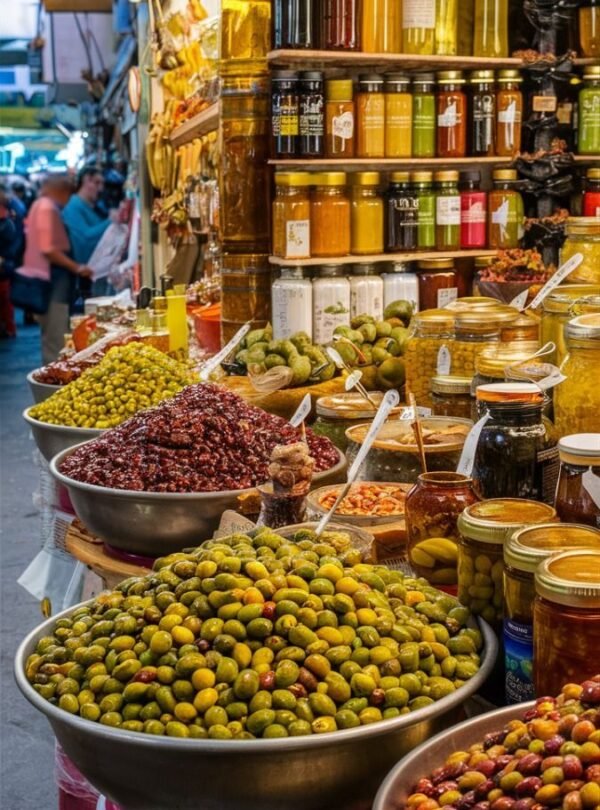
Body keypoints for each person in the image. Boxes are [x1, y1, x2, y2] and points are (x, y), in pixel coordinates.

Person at [17, 175, 92, 363]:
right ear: (63, 192)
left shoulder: (39, 205)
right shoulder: (47, 208)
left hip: (49, 285)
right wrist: (77, 268)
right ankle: (52, 387)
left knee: (52, 337)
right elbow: (49, 249)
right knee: (56, 341)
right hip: (52, 287)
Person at [62, 167, 112, 297]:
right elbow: (85, 237)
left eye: (101, 184)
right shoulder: (73, 206)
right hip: (85, 275)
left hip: (95, 272)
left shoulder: (92, 207)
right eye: (96, 183)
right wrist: (110, 221)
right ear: (85, 181)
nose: (100, 188)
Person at [0, 191, 18, 338]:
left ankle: (9, 327)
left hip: (4, 265)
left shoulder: (6, 223)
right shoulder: (8, 221)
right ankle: (8, 326)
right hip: (6, 264)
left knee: (5, 299)